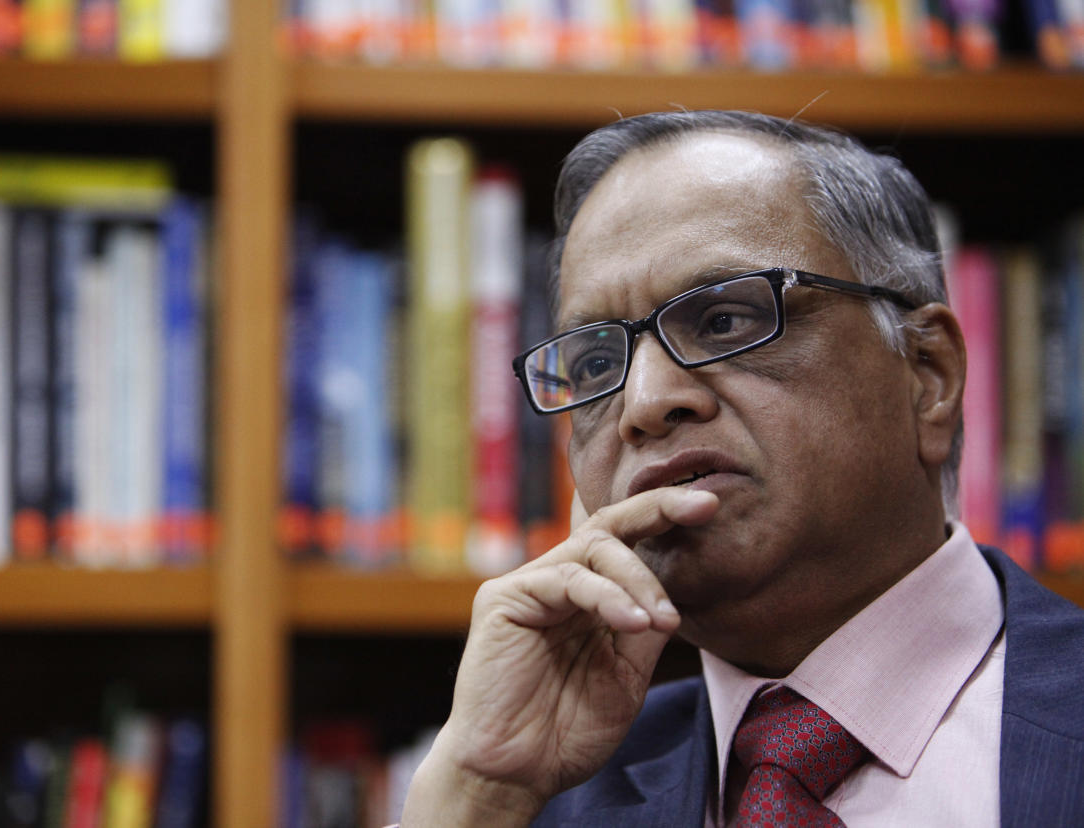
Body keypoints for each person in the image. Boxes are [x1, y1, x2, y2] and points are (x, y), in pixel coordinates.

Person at [398, 110, 1084, 826]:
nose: (645, 402)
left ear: (927, 375)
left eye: (725, 320)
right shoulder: (532, 792)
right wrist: (477, 798)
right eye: (598, 363)